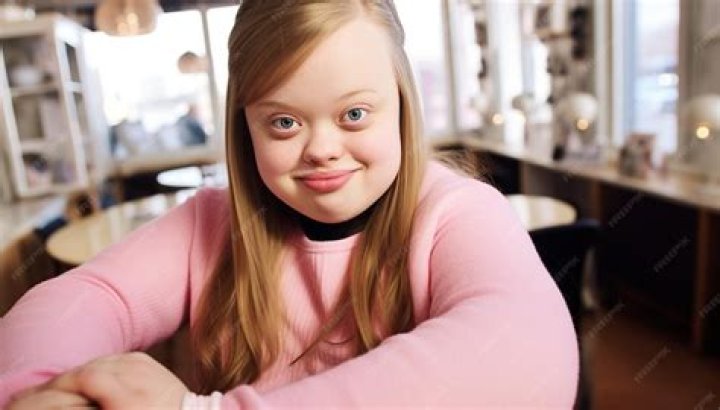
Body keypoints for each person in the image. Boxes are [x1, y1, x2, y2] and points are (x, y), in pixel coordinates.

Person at [0, 1, 578, 408]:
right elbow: (86, 298)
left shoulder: (458, 213)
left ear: (402, 105)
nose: (322, 149)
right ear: (245, 127)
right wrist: (38, 392)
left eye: (354, 114)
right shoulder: (210, 224)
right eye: (283, 122)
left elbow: (526, 353)